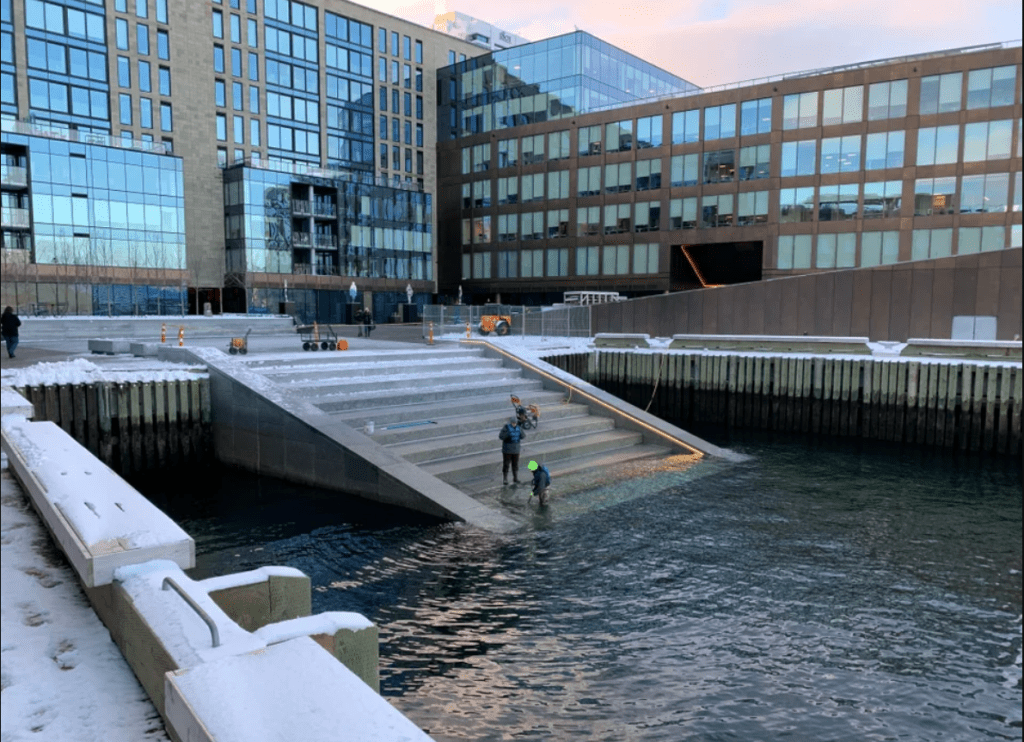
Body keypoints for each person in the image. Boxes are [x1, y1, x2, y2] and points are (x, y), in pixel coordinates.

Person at [498, 417, 524, 485]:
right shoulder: (506, 428)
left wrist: (520, 432)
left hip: (516, 450)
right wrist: (508, 434)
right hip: (507, 450)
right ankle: (505, 479)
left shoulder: (519, 428)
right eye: (513, 423)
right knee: (506, 464)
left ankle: (515, 478)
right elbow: (501, 436)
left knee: (515, 465)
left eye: (515, 423)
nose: (514, 424)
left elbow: (523, 436)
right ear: (510, 423)